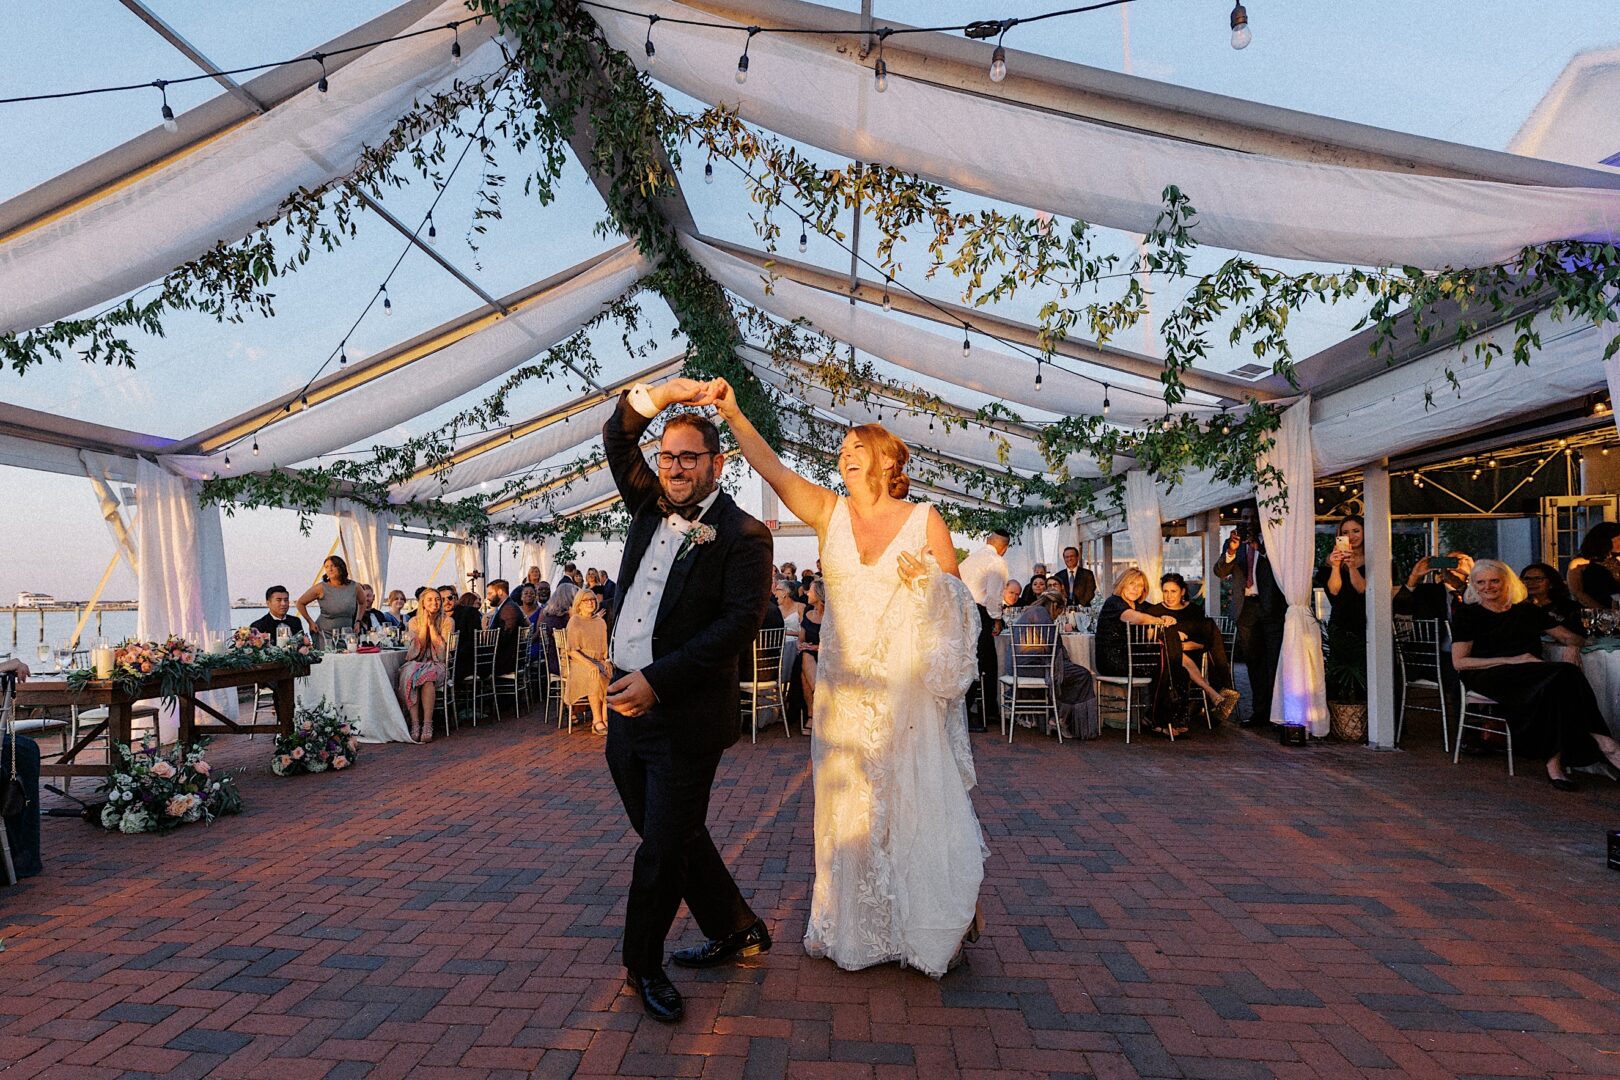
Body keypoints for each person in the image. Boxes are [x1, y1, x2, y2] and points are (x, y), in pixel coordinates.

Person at [709, 375, 987, 979]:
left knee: (910, 807)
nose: (844, 456)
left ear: (887, 460)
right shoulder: (828, 513)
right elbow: (776, 472)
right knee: (850, 809)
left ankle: (928, 920)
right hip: (842, 691)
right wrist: (732, 413)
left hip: (905, 691)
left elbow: (964, 611)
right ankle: (858, 930)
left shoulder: (924, 520)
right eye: (841, 451)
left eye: (855, 448)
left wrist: (931, 586)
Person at [598, 376, 774, 1024]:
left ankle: (642, 964)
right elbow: (618, 434)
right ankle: (738, 927)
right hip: (624, 713)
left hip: (685, 718)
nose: (673, 467)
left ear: (716, 463)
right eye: (667, 455)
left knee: (660, 849)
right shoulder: (647, 503)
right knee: (671, 832)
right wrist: (669, 394)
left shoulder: (745, 535)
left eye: (688, 457)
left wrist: (658, 681)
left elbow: (735, 627)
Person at [1450, 560, 1620, 790]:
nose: (1488, 587)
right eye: (1481, 582)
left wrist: (1571, 646)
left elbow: (1572, 637)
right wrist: (1514, 659)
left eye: (1494, 581)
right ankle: (1604, 742)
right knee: (1562, 676)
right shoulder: (1468, 614)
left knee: (1555, 687)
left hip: (1532, 674)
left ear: (1506, 582)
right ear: (1474, 585)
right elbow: (1460, 663)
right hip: (1488, 673)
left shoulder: (1526, 610)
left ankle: (1556, 763)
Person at [1097, 568, 1193, 737]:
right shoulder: (1114, 602)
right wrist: (1160, 620)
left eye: (1140, 586)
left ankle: (1165, 718)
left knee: (1179, 671)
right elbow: (1136, 618)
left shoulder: (1142, 605)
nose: (1135, 589)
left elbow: (1160, 611)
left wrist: (1168, 618)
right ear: (1122, 584)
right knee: (1165, 669)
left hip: (1135, 659)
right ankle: (1159, 720)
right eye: (1131, 584)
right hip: (1113, 660)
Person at [1213, 527, 1286, 727]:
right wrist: (1231, 552)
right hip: (1246, 608)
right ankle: (1259, 713)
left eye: (1251, 518)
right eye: (1244, 519)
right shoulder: (1235, 546)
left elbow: (1283, 567)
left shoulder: (1272, 541)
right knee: (1254, 664)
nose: (1248, 522)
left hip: (1270, 607)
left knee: (1274, 661)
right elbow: (1220, 571)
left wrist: (1260, 548)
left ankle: (1277, 713)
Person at [1149, 572, 1240, 723]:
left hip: (1195, 655)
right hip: (1168, 660)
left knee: (1209, 627)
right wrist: (1176, 644)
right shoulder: (1156, 612)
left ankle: (1213, 695)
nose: (1169, 596)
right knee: (1205, 630)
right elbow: (1152, 639)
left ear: (1182, 591)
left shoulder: (1194, 611)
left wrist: (1183, 645)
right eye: (1165, 591)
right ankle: (1220, 690)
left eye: (1173, 591)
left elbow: (1204, 642)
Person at [1012, 589, 1098, 739]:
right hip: (1036, 667)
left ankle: (1056, 717)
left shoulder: (1032, 612)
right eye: (1059, 612)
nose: (1058, 615)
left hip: (1022, 666)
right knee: (1083, 675)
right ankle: (1061, 720)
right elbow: (1052, 647)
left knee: (1071, 673)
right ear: (1055, 606)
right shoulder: (1042, 615)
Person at [959, 529, 1012, 732]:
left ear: (987, 540)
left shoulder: (971, 559)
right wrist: (997, 620)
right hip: (979, 613)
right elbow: (992, 597)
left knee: (972, 659)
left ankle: (981, 709)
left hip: (961, 611)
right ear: (1004, 548)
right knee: (983, 662)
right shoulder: (997, 562)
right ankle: (980, 711)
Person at [397, 588, 453, 742]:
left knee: (427, 677)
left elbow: (442, 653)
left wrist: (433, 628)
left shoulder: (447, 621)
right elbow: (415, 650)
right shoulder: (413, 622)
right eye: (430, 599)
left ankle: (427, 724)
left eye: (437, 599)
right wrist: (424, 627)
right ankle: (415, 723)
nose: (434, 602)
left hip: (438, 664)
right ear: (422, 603)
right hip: (419, 661)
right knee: (408, 674)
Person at [1315, 515, 1367, 675]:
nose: (1351, 536)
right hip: (1341, 624)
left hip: (1368, 622)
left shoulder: (1376, 559)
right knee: (1341, 675)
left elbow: (1363, 590)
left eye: (1356, 531)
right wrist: (1336, 566)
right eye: (1345, 533)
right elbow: (1334, 591)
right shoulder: (1330, 563)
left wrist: (1352, 567)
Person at [566, 587, 613, 736]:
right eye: (586, 600)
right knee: (595, 675)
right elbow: (572, 650)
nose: (591, 603)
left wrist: (606, 660)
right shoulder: (575, 621)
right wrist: (590, 663)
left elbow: (605, 647)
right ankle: (597, 720)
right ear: (579, 603)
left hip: (598, 660)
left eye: (593, 599)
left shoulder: (600, 622)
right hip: (579, 661)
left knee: (610, 675)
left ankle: (606, 719)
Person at [785, 578, 824, 730]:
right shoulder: (808, 613)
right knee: (804, 656)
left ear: (819, 594)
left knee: (804, 667)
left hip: (825, 657)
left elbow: (834, 645)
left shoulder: (830, 617)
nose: (807, 592)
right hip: (809, 657)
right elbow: (800, 639)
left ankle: (812, 715)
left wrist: (814, 647)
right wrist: (800, 645)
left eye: (811, 591)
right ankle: (818, 700)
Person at [1395, 551, 1473, 625]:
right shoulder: (1426, 592)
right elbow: (1400, 608)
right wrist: (1414, 577)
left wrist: (1473, 574)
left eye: (1456, 562)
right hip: (1433, 638)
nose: (1450, 567)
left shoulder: (1476, 593)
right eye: (1447, 562)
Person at [296, 556, 358, 646]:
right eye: (327, 567)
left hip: (346, 635)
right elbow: (300, 603)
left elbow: (362, 602)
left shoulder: (354, 586)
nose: (330, 569)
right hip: (324, 634)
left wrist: (358, 621)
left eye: (333, 566)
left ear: (341, 567)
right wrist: (310, 621)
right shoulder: (321, 588)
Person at [1521, 562, 1585, 634]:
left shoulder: (1569, 608)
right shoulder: (1518, 609)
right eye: (1527, 579)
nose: (1531, 583)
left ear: (1551, 583)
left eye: (1538, 579)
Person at [1567, 522, 1620, 609]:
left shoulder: (1617, 559)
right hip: (1595, 612)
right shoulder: (1580, 563)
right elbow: (1578, 593)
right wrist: (1603, 611)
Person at [484, 578, 523, 678]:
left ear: (500, 592)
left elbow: (504, 637)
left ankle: (474, 690)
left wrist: (485, 636)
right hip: (504, 656)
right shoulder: (505, 607)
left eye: (490, 593)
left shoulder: (508, 609)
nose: (487, 597)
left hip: (505, 660)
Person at [541, 580, 578, 678]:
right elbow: (572, 644)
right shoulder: (562, 621)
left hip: (552, 661)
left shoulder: (550, 617)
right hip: (562, 664)